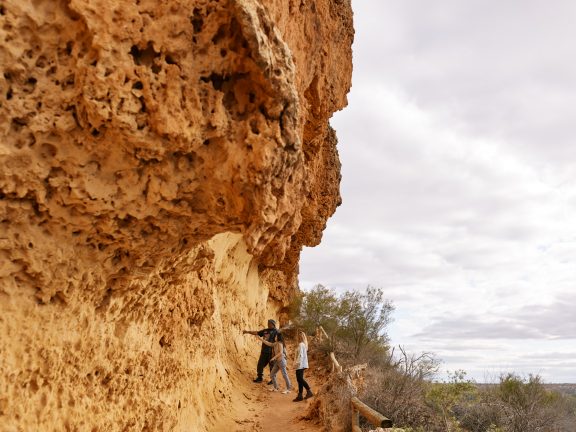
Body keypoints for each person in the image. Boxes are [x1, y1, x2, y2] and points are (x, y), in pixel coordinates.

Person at [293, 330, 313, 402]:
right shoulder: (303, 344)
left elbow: (300, 355)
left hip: (300, 364)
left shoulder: (301, 344)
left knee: (300, 379)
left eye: (300, 336)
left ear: (302, 337)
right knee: (299, 379)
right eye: (299, 336)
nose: (299, 337)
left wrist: (297, 364)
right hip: (301, 364)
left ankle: (309, 391)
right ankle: (300, 395)